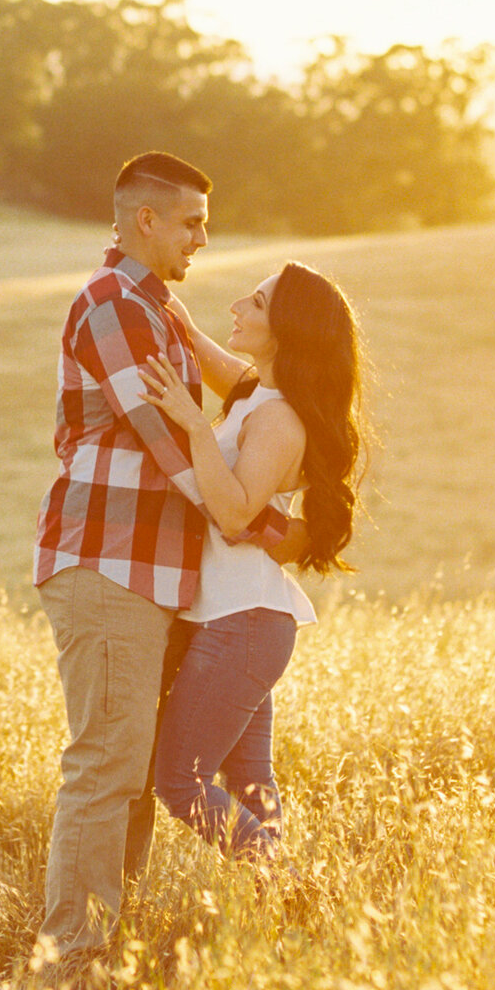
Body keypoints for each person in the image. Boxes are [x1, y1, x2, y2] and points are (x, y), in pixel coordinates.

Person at [32, 151, 295, 990]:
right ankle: (72, 965)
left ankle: (109, 944)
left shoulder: (164, 308)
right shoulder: (111, 306)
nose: (203, 239)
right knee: (106, 764)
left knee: (136, 772)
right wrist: (253, 522)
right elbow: (164, 438)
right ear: (145, 220)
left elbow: (253, 390)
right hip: (109, 561)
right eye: (191, 223)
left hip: (159, 572)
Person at [139, 260, 368, 859]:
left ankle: (284, 883)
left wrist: (192, 424)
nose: (238, 305)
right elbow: (186, 330)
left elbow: (235, 514)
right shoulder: (251, 392)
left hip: (240, 622)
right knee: (250, 788)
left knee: (180, 784)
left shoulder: (277, 416)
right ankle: (284, 911)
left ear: (289, 330)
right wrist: (135, 265)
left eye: (258, 303)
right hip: (243, 620)